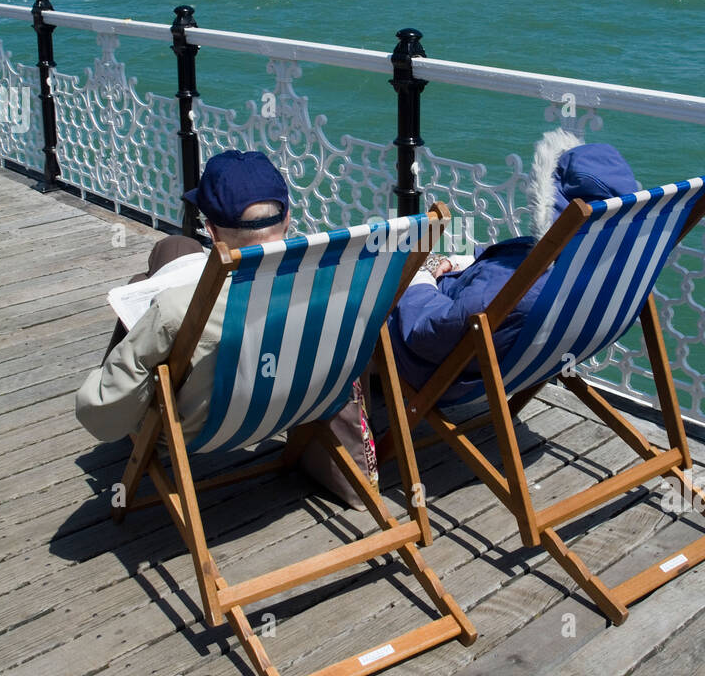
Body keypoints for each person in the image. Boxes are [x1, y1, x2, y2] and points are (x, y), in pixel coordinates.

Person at [76, 150, 376, 507]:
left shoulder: (178, 309)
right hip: (302, 405)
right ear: (289, 219)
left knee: (149, 276)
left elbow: (101, 416)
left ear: (211, 230)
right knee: (170, 252)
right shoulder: (346, 285)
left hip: (197, 430)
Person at [389, 129, 639, 405]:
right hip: (532, 363)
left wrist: (417, 279)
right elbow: (520, 255)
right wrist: (460, 261)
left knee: (369, 295)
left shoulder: (516, 290)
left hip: (443, 373)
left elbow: (428, 333)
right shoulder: (607, 266)